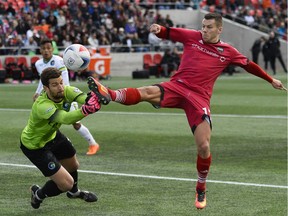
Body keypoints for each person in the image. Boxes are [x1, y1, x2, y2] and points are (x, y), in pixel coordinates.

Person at [86, 13, 286, 210]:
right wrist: (159, 29)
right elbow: (169, 32)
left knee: (204, 146)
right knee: (147, 91)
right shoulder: (193, 37)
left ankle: (201, 186)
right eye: (203, 26)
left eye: (209, 27)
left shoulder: (228, 52)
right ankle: (110, 94)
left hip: (199, 98)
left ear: (219, 29)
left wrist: (271, 80)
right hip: (177, 86)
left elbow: (249, 65)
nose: (204, 30)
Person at [20, 67, 101, 209]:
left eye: (61, 82)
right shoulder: (42, 105)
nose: (60, 87)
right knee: (66, 184)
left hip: (52, 135)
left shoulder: (66, 90)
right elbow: (65, 118)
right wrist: (86, 110)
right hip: (35, 146)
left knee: (74, 165)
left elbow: (83, 97)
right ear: (46, 88)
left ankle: (74, 193)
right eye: (55, 85)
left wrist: (94, 98)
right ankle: (38, 194)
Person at [33, 39, 100, 155]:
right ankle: (52, 146)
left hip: (64, 95)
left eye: (48, 48)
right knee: (51, 121)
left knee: (75, 123)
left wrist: (67, 94)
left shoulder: (59, 61)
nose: (46, 50)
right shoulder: (38, 64)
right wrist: (37, 92)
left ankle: (93, 144)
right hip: (49, 97)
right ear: (40, 50)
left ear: (52, 49)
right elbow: (42, 80)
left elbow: (64, 80)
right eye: (44, 48)